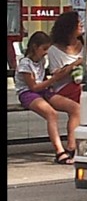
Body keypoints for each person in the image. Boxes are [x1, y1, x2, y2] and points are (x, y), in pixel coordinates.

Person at [14, 31, 80, 164]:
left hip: (43, 90)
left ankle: (72, 147)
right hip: (28, 93)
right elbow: (33, 87)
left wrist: (56, 76)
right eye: (44, 49)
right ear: (34, 47)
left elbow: (42, 79)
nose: (45, 53)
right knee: (51, 114)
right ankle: (59, 151)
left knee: (75, 108)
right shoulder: (25, 64)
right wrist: (53, 80)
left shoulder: (42, 61)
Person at [46, 9, 84, 104]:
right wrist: (74, 65)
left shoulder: (85, 45)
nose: (81, 25)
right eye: (78, 23)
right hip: (64, 88)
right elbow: (56, 76)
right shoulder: (54, 50)